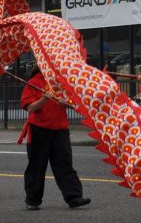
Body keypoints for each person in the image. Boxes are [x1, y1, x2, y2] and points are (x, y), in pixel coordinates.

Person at [20, 66, 91, 211]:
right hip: (39, 129)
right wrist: (44, 98)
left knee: (64, 163)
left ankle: (73, 196)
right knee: (37, 166)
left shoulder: (61, 81)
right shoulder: (33, 82)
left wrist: (67, 103)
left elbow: (74, 104)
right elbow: (30, 108)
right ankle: (32, 199)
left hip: (60, 129)